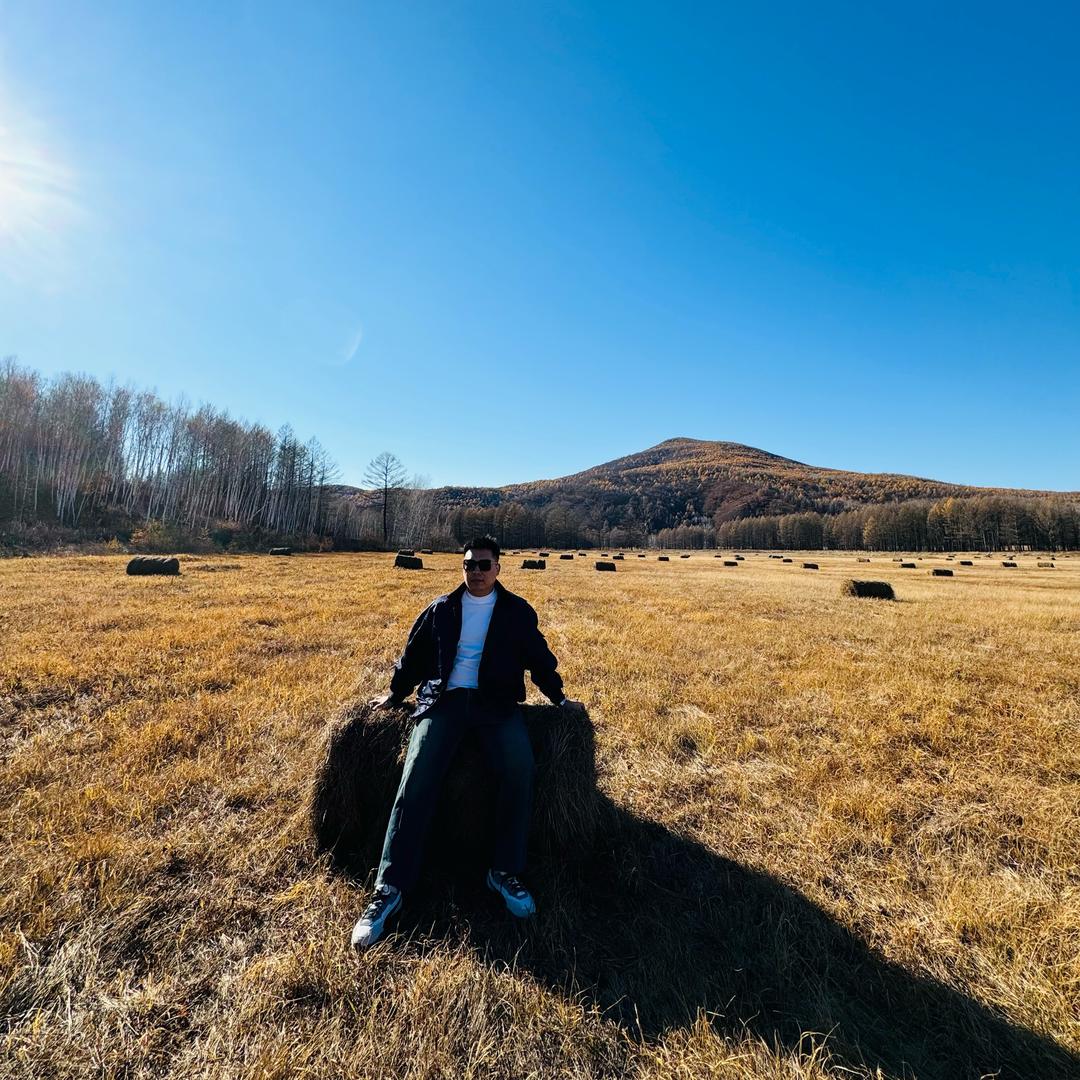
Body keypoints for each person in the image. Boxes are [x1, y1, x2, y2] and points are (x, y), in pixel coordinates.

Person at [351, 535, 586, 950]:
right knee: (416, 776)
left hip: (495, 704)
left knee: (520, 769)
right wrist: (395, 694)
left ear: (498, 568)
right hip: (444, 702)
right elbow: (412, 656)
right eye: (469, 565)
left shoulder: (516, 612)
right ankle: (390, 887)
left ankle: (503, 872)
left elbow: (539, 659)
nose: (476, 572)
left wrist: (559, 699)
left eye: (483, 565)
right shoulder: (441, 609)